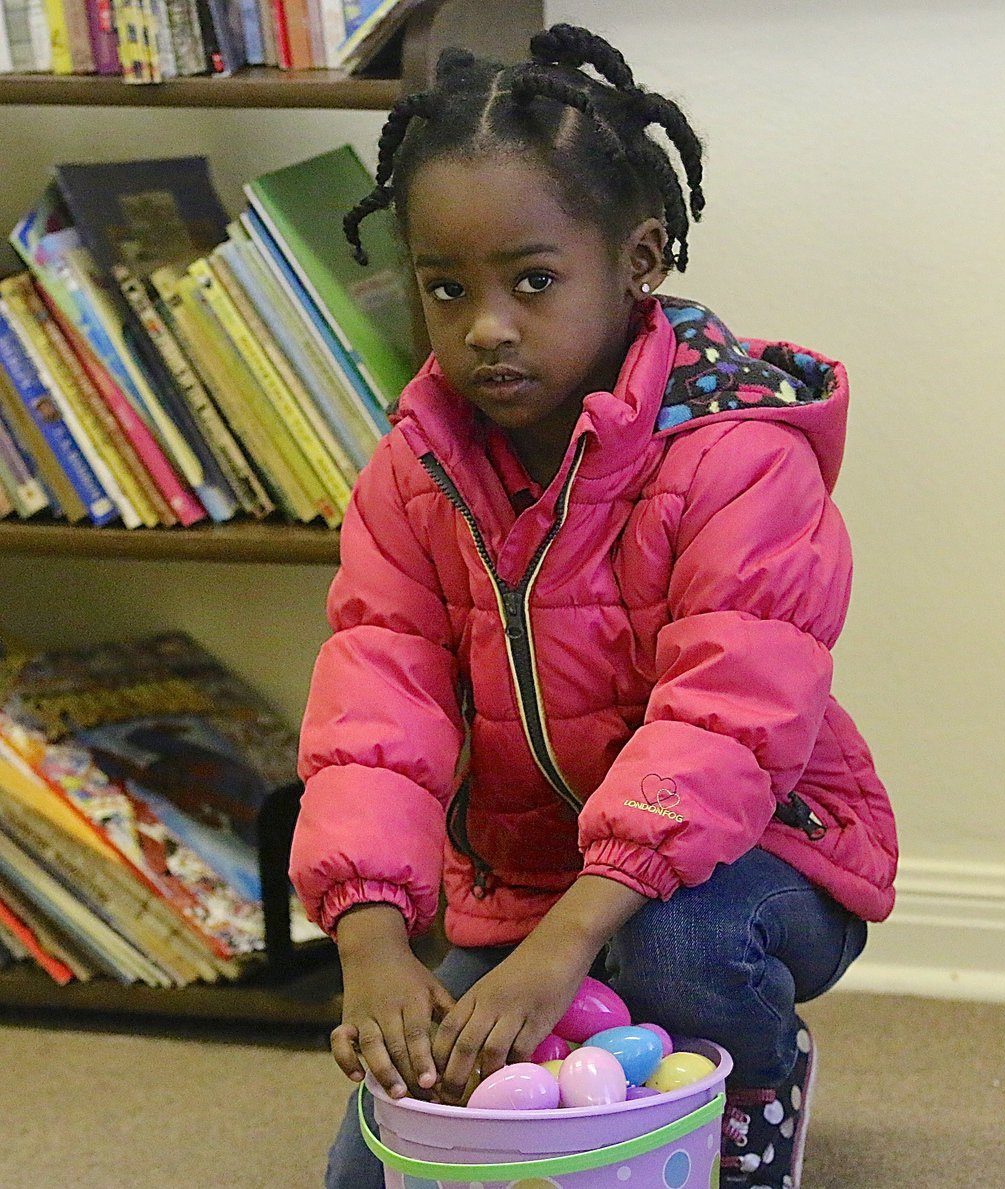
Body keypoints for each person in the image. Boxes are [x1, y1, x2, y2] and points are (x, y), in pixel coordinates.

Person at [289, 23, 899, 1189]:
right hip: (525, 879)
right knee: (376, 1167)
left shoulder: (738, 458)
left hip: (758, 856)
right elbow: (377, 706)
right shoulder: (412, 474)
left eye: (532, 279)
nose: (486, 325)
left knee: (676, 950)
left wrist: (565, 945)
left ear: (640, 259)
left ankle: (756, 1085)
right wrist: (369, 936)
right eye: (444, 287)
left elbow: (727, 721)